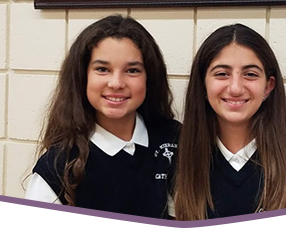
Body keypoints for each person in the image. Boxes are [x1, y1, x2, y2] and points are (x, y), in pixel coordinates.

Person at [172, 23, 286, 222]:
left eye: (250, 74)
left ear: (268, 87)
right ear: (203, 84)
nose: (235, 88)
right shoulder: (179, 157)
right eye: (221, 73)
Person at [23, 14, 180, 222]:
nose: (116, 83)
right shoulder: (61, 160)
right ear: (82, 76)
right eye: (102, 69)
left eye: (132, 70)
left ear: (149, 78)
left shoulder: (175, 138)